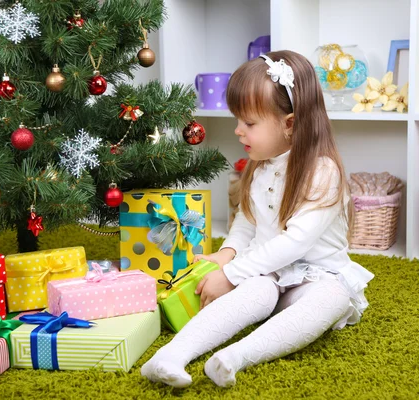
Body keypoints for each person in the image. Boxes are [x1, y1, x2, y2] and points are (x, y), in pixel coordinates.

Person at [141, 50, 374, 388]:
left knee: (332, 298)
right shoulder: (260, 164)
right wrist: (228, 254)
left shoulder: (323, 172)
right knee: (258, 290)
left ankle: (235, 357)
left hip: (315, 277)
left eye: (249, 123)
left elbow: (295, 243)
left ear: (290, 124)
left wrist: (231, 275)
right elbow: (247, 222)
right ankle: (171, 355)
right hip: (268, 272)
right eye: (238, 121)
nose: (238, 131)